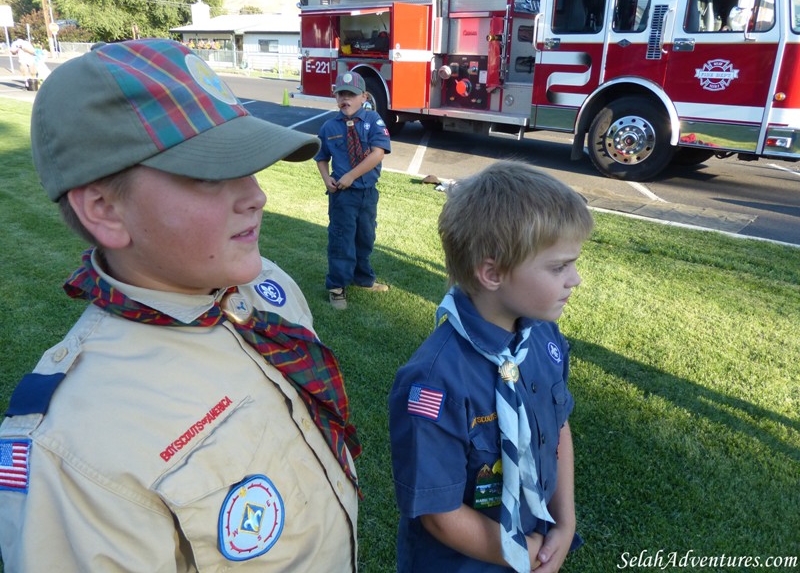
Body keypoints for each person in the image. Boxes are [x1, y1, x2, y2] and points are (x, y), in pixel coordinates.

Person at [0, 38, 361, 571]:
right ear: (105, 209)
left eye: (249, 165)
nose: (256, 195)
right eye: (210, 173)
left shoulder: (265, 286)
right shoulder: (74, 449)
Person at [388, 161, 594, 573]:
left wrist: (565, 522)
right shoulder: (433, 383)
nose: (575, 280)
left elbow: (559, 427)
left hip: (535, 542)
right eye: (558, 267)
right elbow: (439, 514)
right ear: (493, 272)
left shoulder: (543, 339)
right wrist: (521, 553)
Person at [314, 71, 392, 310]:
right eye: (341, 94)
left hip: (367, 194)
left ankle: (363, 278)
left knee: (365, 238)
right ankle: (337, 287)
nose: (345, 99)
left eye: (351, 94)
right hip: (343, 197)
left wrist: (351, 175)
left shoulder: (373, 120)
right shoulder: (329, 126)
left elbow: (378, 153)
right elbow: (321, 157)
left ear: (364, 97)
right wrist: (327, 179)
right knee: (341, 239)